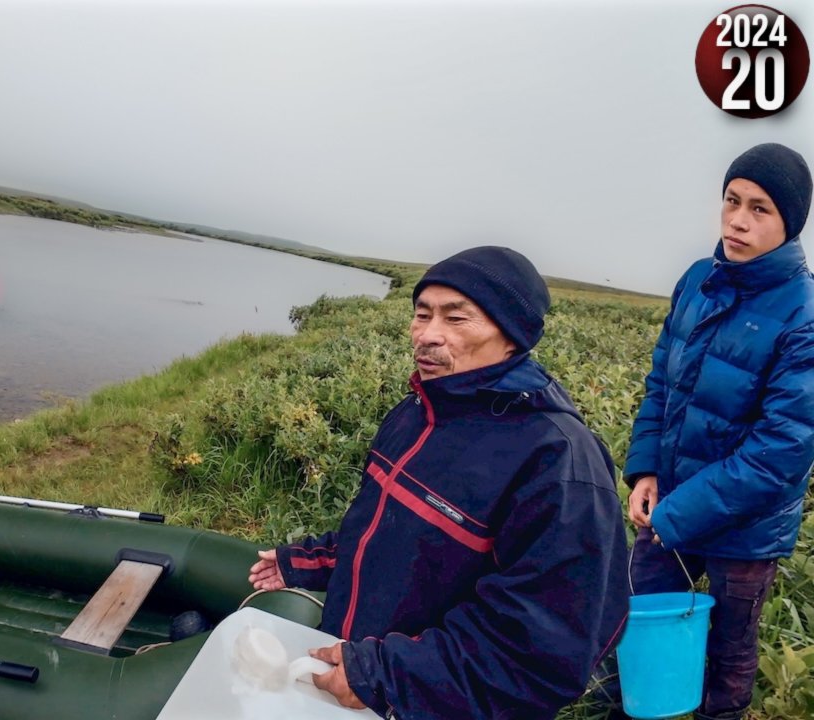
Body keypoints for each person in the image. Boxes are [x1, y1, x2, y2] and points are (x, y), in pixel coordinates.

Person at [248, 246, 630, 719]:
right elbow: (385, 538)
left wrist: (384, 675)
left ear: (512, 337)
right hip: (354, 674)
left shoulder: (558, 464)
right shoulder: (416, 414)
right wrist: (303, 562)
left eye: (456, 319)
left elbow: (538, 654)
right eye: (422, 314)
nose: (427, 336)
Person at [621, 143, 814, 720]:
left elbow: (779, 452)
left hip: (746, 529)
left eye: (760, 208)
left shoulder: (805, 313)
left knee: (729, 653)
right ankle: (633, 708)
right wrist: (646, 469)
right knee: (636, 620)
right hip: (671, 501)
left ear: (789, 223)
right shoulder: (697, 279)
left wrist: (676, 515)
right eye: (732, 200)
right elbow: (662, 383)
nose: (738, 219)